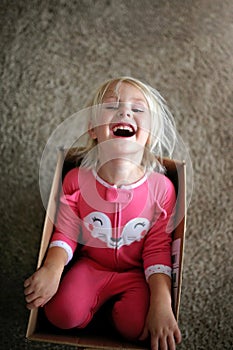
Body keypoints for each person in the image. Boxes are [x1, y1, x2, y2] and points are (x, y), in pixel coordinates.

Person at [24, 76, 182, 350]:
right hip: (91, 264)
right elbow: (67, 231)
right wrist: (53, 267)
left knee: (138, 328)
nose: (125, 112)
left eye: (138, 109)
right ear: (93, 129)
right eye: (111, 106)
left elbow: (158, 248)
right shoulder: (77, 180)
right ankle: (91, 313)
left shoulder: (162, 188)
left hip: (137, 272)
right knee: (60, 314)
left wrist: (162, 302)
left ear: (151, 134)